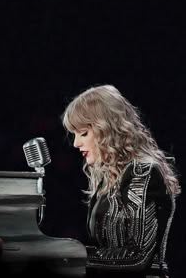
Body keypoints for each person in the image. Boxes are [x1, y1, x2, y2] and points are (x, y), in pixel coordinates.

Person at [61, 85, 181, 278]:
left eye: (83, 133)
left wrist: (71, 255)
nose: (75, 143)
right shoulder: (107, 178)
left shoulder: (143, 172)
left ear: (107, 129)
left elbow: (138, 256)